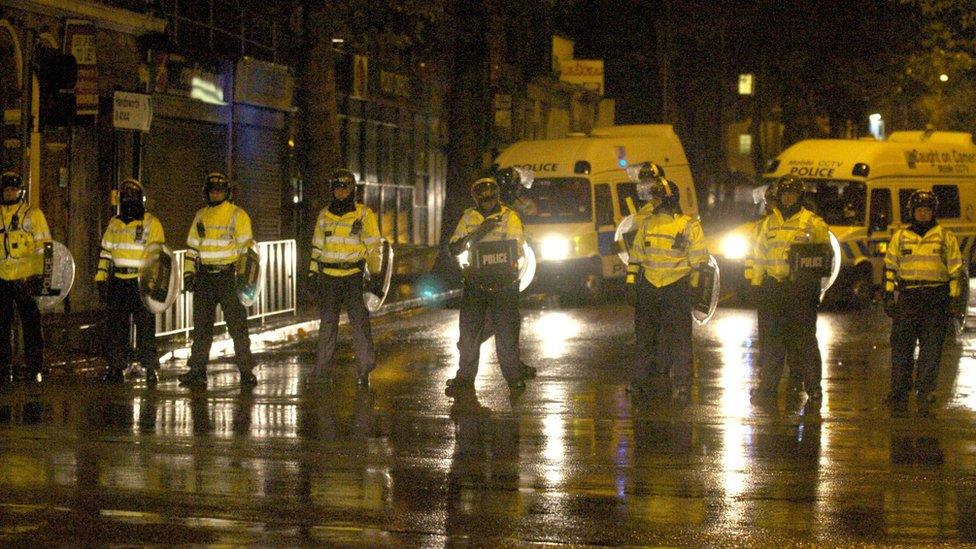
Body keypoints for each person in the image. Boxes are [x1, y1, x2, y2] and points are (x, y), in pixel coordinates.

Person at [749, 174, 831, 405]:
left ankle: (813, 387)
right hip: (772, 289)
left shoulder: (813, 223)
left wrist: (816, 288)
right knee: (771, 341)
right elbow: (759, 256)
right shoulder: (768, 223)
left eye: (792, 195)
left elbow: (825, 258)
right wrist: (757, 285)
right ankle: (768, 386)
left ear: (800, 197)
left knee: (805, 341)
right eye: (784, 195)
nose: (787, 199)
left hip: (800, 291)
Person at [625, 175, 707, 403]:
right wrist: (631, 283)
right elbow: (636, 257)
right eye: (654, 197)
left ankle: (682, 385)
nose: (654, 201)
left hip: (676, 288)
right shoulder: (647, 224)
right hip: (649, 287)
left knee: (680, 339)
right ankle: (639, 382)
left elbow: (699, 260)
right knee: (644, 338)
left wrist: (694, 287)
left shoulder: (688, 225)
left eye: (658, 197)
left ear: (670, 199)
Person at [883, 189, 962, 412]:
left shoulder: (945, 237)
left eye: (927, 210)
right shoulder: (900, 237)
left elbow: (955, 271)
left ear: (933, 212)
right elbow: (890, 267)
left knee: (931, 348)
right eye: (919, 210)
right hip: (909, 298)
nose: (923, 214)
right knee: (901, 347)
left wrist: (954, 300)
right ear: (912, 212)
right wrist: (889, 296)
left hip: (936, 298)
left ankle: (925, 391)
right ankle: (899, 390)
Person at [446, 177, 526, 394]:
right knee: (469, 336)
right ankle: (464, 379)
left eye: (491, 198)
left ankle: (514, 379)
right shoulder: (469, 217)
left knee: (506, 336)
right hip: (476, 283)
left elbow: (516, 246)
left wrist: (493, 253)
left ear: (497, 195)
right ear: (476, 199)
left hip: (504, 285)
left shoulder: (509, 217)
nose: (488, 202)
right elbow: (455, 245)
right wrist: (478, 231)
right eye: (484, 199)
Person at [177, 172, 257, 388]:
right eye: (212, 190)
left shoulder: (237, 215)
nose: (216, 193)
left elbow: (247, 251)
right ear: (206, 192)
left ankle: (246, 370)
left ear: (227, 192)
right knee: (201, 328)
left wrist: (245, 280)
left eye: (219, 190)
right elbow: (192, 248)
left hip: (228, 277)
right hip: (205, 277)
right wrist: (188, 273)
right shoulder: (200, 216)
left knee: (237, 326)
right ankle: (197, 370)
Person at [307, 169, 382, 388]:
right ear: (332, 190)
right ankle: (321, 370)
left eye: (345, 188)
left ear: (353, 190)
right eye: (337, 188)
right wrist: (312, 273)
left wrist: (375, 274)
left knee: (359, 324)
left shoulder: (364, 214)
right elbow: (317, 247)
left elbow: (374, 246)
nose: (341, 192)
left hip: (353, 277)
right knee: (328, 324)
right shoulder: (324, 215)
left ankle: (365, 368)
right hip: (329, 277)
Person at [94, 178, 165, 384]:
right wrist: (101, 278)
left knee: (145, 327)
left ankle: (150, 368)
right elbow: (106, 252)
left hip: (140, 282)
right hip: (118, 281)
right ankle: (116, 367)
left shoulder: (152, 223)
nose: (128, 200)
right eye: (125, 197)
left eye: (132, 197)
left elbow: (158, 256)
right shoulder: (114, 223)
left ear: (141, 199)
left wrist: (155, 283)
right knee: (116, 328)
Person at [0, 171, 50, 386]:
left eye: (14, 189)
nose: (10, 192)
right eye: (7, 189)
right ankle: (4, 368)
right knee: (2, 327)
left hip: (26, 280)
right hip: (2, 278)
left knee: (31, 326)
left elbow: (44, 248)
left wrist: (40, 277)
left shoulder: (33, 214)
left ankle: (35, 368)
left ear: (21, 190)